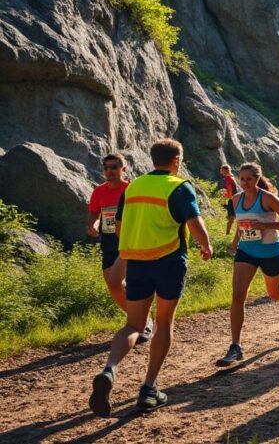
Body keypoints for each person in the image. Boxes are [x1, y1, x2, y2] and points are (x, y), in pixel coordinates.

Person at [89, 139, 213, 417]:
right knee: (163, 321)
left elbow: (119, 227)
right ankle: (148, 389)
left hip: (137, 261)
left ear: (152, 158)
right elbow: (194, 222)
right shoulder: (179, 186)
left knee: (133, 323)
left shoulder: (133, 187)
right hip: (168, 261)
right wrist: (206, 246)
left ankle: (109, 370)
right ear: (176, 160)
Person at [216, 163, 279, 367]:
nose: (245, 183)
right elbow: (241, 224)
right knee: (237, 295)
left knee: (274, 294)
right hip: (247, 251)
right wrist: (235, 242)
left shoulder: (267, 198)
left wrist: (266, 225)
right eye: (242, 179)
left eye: (249, 179)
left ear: (257, 178)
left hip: (271, 250)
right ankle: (235, 346)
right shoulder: (235, 199)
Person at [86, 153, 154, 343]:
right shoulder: (98, 191)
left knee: (129, 284)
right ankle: (143, 319)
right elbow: (94, 212)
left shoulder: (131, 189)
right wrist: (94, 225)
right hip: (109, 244)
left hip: (132, 243)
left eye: (114, 167)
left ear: (123, 169)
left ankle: (141, 323)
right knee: (114, 286)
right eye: (107, 168)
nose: (110, 171)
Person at [220, 164, 238, 235]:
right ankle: (228, 233)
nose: (223, 173)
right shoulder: (232, 177)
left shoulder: (228, 179)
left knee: (231, 217)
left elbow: (230, 190)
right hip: (234, 198)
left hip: (232, 199)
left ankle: (227, 233)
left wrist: (226, 195)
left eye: (223, 172)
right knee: (231, 217)